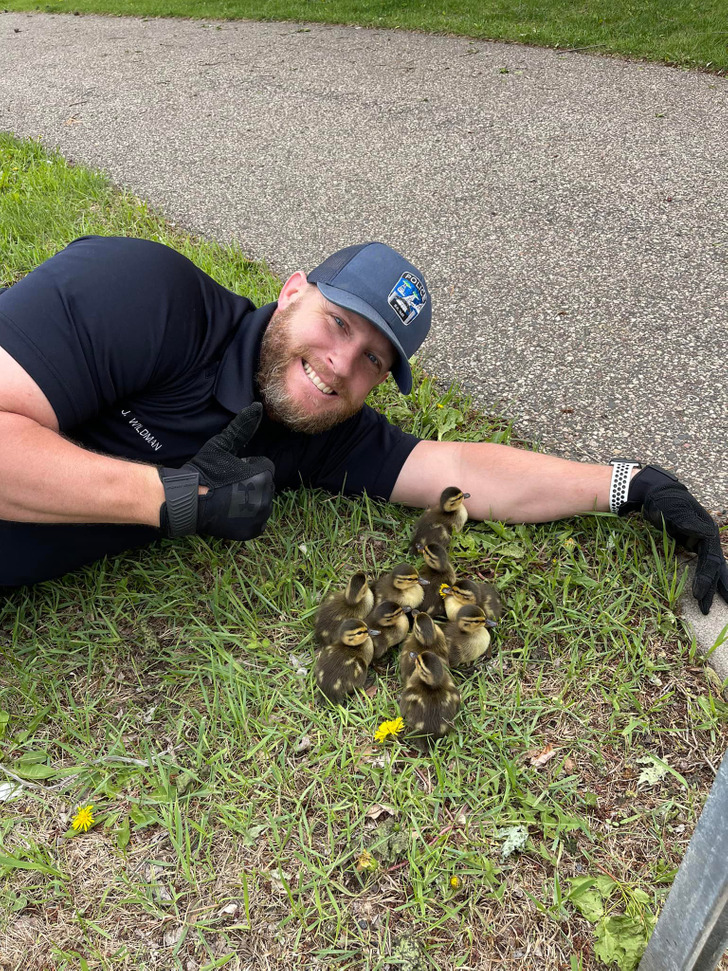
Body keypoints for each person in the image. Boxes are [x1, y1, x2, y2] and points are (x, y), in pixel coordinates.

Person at [0, 235, 725, 613]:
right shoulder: (146, 295)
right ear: (292, 292)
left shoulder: (317, 429)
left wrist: (628, 484)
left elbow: (464, 472)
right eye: (338, 322)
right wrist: (175, 497)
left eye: (375, 359)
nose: (343, 364)